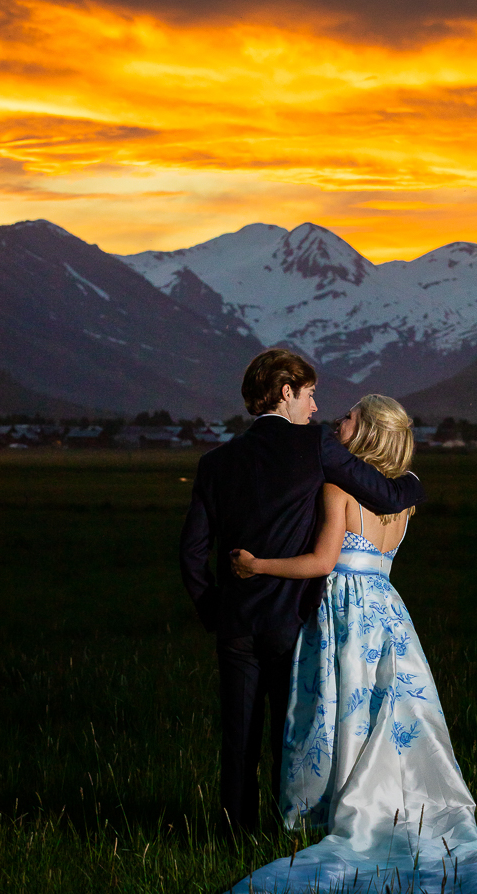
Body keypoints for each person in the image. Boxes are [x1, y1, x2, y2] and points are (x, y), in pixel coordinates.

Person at [221, 394, 477, 894]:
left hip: (343, 616)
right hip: (388, 614)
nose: (337, 420)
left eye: (348, 417)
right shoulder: (403, 502)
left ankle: (323, 815)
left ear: (366, 432)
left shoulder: (338, 490)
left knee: (333, 709)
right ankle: (386, 807)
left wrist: (257, 565)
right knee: (383, 714)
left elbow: (323, 561)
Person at [179, 351, 425, 834]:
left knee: (238, 738)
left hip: (236, 621)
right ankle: (283, 829)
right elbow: (388, 496)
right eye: (310, 394)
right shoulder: (315, 446)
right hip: (292, 619)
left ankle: (232, 836)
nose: (316, 408)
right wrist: (413, 479)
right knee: (292, 735)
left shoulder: (214, 462)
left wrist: (217, 610)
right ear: (286, 391)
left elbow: (190, 553)